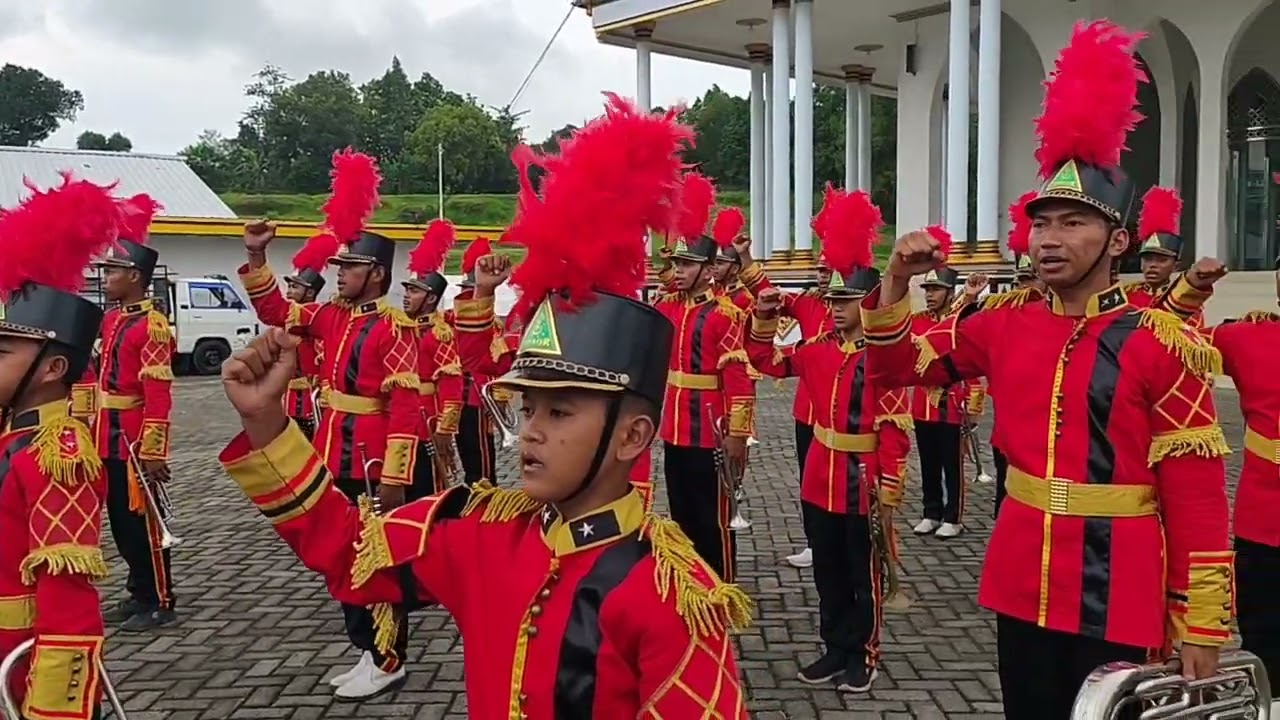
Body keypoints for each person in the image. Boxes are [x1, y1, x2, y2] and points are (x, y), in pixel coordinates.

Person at [218, 94, 751, 718]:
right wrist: (268, 425)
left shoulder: (673, 601)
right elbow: (349, 551)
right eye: (528, 410)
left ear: (632, 437)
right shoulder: (484, 535)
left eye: (560, 412)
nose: (530, 433)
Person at [859, 20, 1232, 719]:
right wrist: (895, 283)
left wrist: (1201, 622)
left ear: (1118, 241)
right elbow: (897, 371)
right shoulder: (1004, 322)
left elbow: (1198, 496)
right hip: (1021, 577)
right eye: (1042, 224)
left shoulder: (1162, 341)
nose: (1050, 240)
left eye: (1072, 224)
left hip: (1122, 588)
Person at [237, 149, 420, 700]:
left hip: (371, 461)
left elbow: (406, 408)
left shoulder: (396, 328)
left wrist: (395, 478)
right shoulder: (331, 316)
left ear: (377, 274)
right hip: (331, 449)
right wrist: (256, 254)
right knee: (342, 556)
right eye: (339, 267)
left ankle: (387, 658)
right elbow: (276, 312)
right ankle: (364, 648)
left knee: (376, 561)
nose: (339, 274)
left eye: (349, 267)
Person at [745, 187, 911, 693]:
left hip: (864, 482)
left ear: (869, 303)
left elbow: (894, 427)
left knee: (865, 575)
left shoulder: (882, 359)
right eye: (834, 300)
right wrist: (764, 317)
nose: (836, 309)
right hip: (821, 475)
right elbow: (767, 361)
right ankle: (835, 646)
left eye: (847, 301)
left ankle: (865, 652)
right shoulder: (817, 349)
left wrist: (889, 491)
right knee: (829, 573)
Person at [0, 174, 121, 720]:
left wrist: (54, 707)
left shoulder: (57, 455)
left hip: (24, 667)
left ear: (51, 369)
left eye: (2, 353)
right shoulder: (12, 437)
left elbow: (69, 602)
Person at [1158, 255, 1280, 683]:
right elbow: (1163, 339)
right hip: (1266, 528)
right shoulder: (1250, 337)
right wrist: (1191, 288)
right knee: (1268, 647)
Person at [652, 171, 756, 582]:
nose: (677, 270)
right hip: (675, 431)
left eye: (687, 264)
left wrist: (738, 435)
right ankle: (693, 588)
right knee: (681, 517)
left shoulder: (724, 314)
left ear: (710, 269)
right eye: (676, 263)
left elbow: (738, 378)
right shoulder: (670, 307)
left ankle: (722, 590)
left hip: (711, 431)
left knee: (713, 520)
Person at [93, 194, 180, 633]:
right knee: (122, 526)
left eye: (112, 271)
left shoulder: (153, 325)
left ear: (135, 276)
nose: (105, 277)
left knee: (145, 524)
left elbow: (158, 395)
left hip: (133, 439)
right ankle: (138, 591)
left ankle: (161, 599)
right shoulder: (112, 321)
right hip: (105, 435)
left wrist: (153, 450)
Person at [737, 248, 836, 569]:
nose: (822, 275)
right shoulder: (808, 303)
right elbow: (770, 294)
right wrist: (745, 258)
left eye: (828, 269)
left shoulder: (863, 306)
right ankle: (814, 542)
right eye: (820, 269)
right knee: (810, 481)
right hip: (808, 410)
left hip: (844, 412)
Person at [907, 260, 973, 539]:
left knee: (952, 464)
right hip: (923, 403)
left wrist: (973, 400)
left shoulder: (959, 320)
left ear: (950, 292)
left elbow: (970, 360)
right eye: (927, 289)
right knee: (928, 462)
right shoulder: (918, 320)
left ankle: (953, 517)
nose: (930, 295)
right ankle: (930, 512)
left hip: (952, 403)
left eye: (936, 289)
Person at [402, 219, 464, 495]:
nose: (406, 296)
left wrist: (444, 430)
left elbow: (452, 388)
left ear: (430, 298)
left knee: (427, 489)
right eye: (407, 289)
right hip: (402, 422)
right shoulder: (401, 329)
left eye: (413, 291)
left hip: (427, 423)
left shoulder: (440, 334)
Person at [449, 238, 500, 487]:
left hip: (477, 395)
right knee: (466, 452)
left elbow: (494, 357)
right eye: (466, 290)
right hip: (458, 393)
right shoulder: (451, 319)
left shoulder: (493, 324)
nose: (467, 295)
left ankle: (485, 492)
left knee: (481, 459)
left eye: (472, 290)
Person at [281, 238, 328, 439]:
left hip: (311, 393)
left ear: (309, 292)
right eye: (289, 287)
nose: (289, 292)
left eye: (295, 288)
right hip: (291, 393)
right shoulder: (291, 317)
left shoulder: (313, 313)